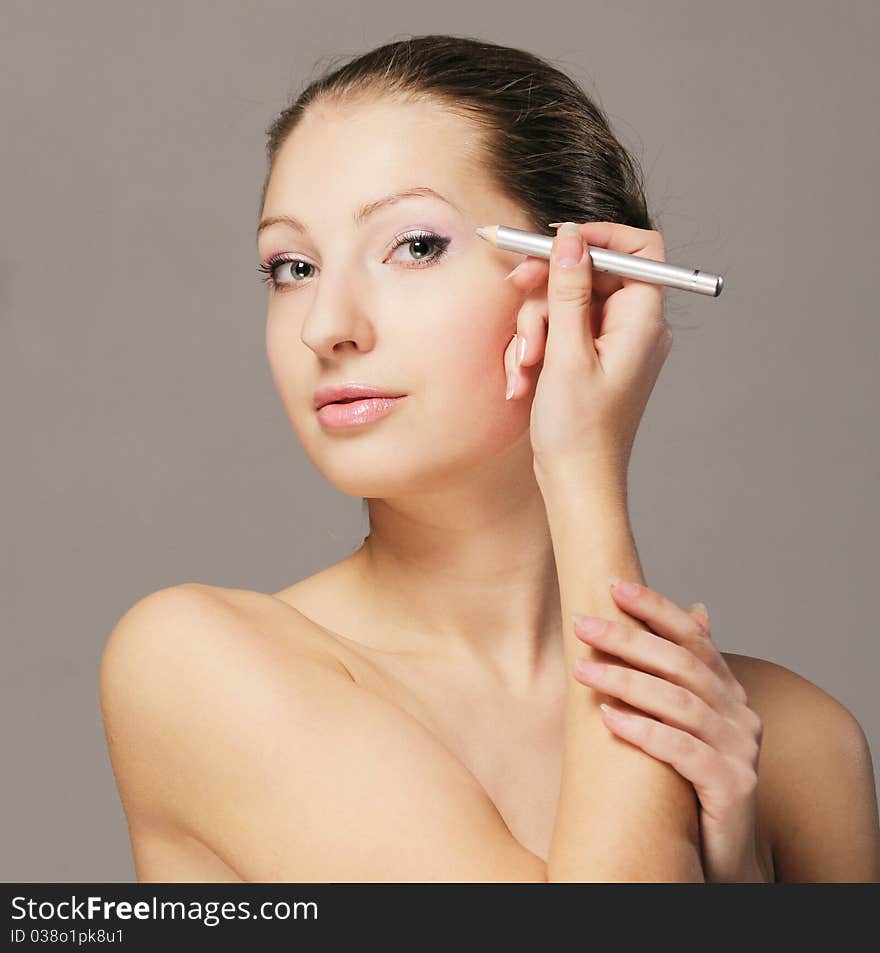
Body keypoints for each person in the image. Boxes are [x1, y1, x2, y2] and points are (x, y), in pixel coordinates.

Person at [99, 34, 879, 883]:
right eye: (292, 266)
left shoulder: (793, 740)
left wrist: (737, 879)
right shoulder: (199, 667)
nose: (326, 325)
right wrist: (583, 467)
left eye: (416, 246)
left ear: (580, 279)